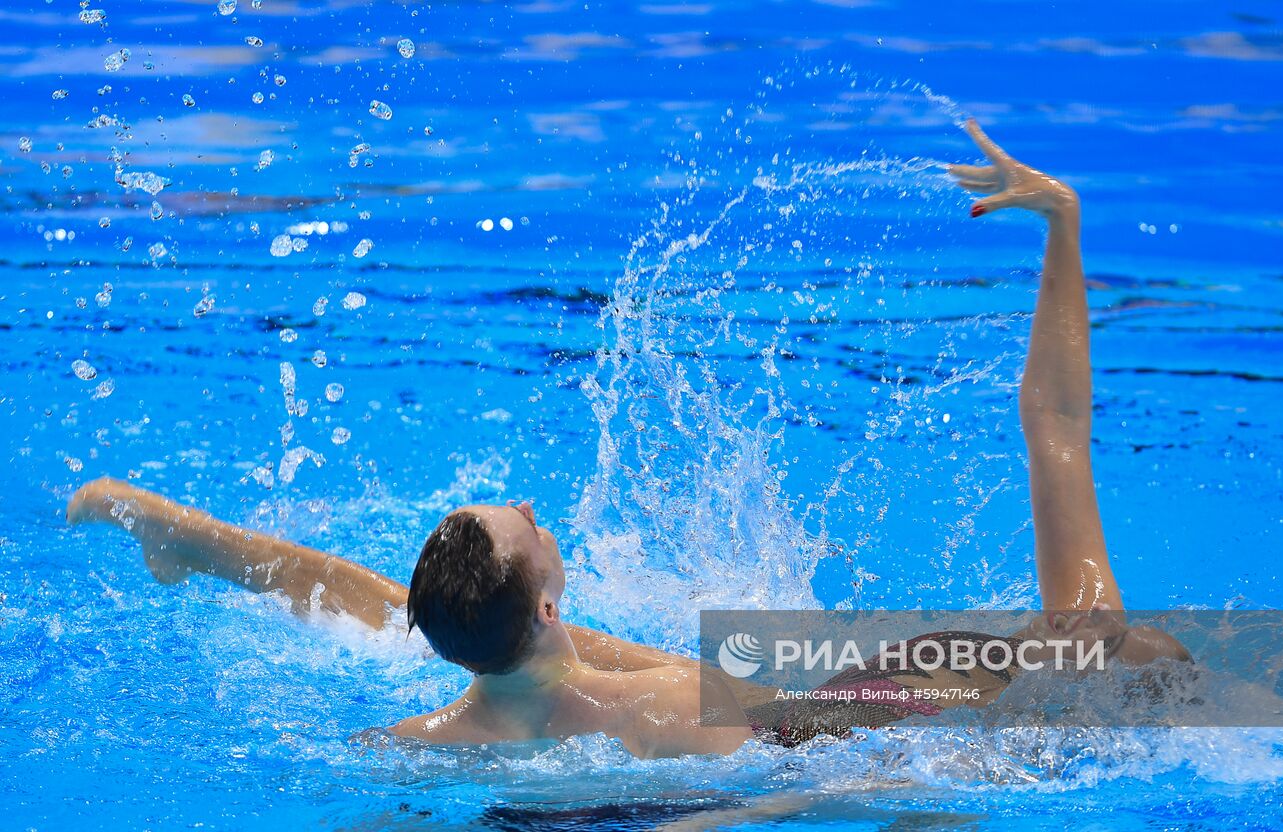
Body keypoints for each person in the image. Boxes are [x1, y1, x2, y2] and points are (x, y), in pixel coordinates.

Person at [65, 121, 1187, 759]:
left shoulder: (416, 736)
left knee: (373, 608)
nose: (538, 511)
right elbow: (1054, 427)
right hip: (781, 734)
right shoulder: (667, 707)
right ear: (541, 600)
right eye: (529, 526)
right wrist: (1065, 221)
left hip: (588, 721)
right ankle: (187, 539)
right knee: (1038, 637)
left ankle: (187, 538)